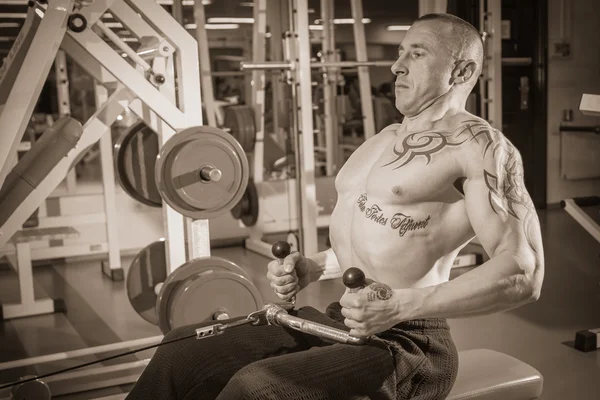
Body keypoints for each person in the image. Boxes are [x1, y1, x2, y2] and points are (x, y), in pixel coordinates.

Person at [126, 12, 544, 400]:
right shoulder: (382, 140)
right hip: (337, 320)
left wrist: (400, 305)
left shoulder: (481, 148)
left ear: (463, 71)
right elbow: (378, 238)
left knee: (259, 389)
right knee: (181, 352)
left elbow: (523, 272)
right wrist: (312, 266)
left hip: (407, 342)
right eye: (400, 54)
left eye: (417, 54)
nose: (397, 66)